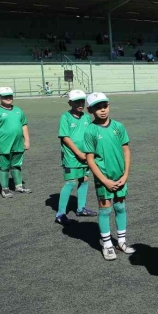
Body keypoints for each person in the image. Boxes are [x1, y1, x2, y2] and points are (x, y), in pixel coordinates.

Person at [84, 92, 135, 261]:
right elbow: (90, 160)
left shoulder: (118, 127)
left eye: (105, 106)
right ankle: (107, 244)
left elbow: (126, 150)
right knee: (105, 209)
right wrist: (104, 180)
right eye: (98, 107)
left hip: (121, 177)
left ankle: (121, 241)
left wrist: (126, 174)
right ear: (90, 110)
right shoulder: (90, 130)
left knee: (120, 207)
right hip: (103, 179)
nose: (103, 110)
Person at [55, 90, 97, 225]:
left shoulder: (85, 117)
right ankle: (60, 214)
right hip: (72, 156)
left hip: (86, 155)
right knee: (71, 182)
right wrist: (78, 153)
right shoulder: (65, 117)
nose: (80, 104)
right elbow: (65, 137)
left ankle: (81, 208)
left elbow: (90, 134)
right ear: (70, 102)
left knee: (84, 180)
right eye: (77, 101)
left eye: (82, 101)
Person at [0, 87, 31, 198]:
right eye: (5, 96)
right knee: (4, 166)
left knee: (16, 165)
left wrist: (27, 140)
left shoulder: (18, 110)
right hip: (3, 144)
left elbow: (24, 125)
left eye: (10, 96)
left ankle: (19, 186)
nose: (8, 98)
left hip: (18, 144)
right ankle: (5, 189)